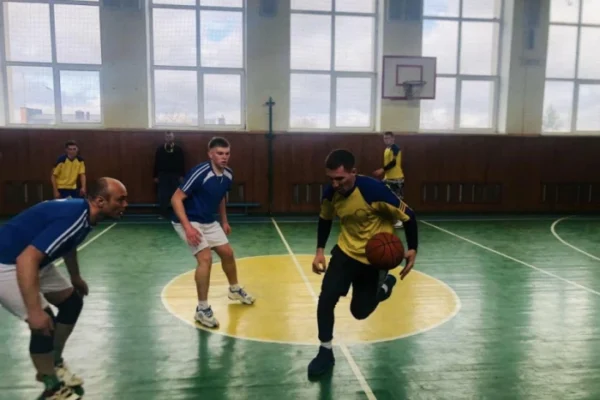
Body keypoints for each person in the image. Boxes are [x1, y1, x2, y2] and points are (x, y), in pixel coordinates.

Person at [0, 177, 128, 400]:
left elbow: (68, 243)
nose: (125, 204)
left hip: (34, 261)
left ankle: (55, 362)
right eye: (121, 199)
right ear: (100, 201)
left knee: (71, 302)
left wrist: (75, 276)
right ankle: (51, 388)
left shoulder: (86, 214)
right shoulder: (75, 216)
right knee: (44, 324)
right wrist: (35, 312)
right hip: (8, 263)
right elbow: (26, 259)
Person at [308, 149, 418, 377]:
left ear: (354, 172)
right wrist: (319, 251)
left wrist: (412, 249)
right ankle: (325, 351)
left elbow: (409, 215)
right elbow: (325, 219)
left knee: (359, 312)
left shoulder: (374, 191)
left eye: (340, 178)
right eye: (331, 178)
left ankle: (385, 285)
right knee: (326, 298)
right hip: (346, 252)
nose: (335, 184)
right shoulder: (330, 194)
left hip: (374, 260)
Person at [170, 136, 255, 329]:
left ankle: (234, 289)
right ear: (210, 154)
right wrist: (188, 228)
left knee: (228, 253)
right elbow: (176, 199)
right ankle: (202, 309)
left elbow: (221, 197)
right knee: (205, 258)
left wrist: (224, 221)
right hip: (188, 219)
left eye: (227, 153)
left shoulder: (228, 174)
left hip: (208, 220)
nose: (224, 157)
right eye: (219, 153)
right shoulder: (200, 172)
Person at [373, 131, 404, 228]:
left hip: (396, 178)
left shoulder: (395, 149)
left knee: (397, 200)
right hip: (388, 178)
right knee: (381, 196)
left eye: (388, 138)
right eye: (385, 138)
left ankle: (400, 220)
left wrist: (382, 170)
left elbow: (393, 163)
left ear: (393, 138)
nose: (386, 140)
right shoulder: (387, 149)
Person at [153, 131, 185, 218]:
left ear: (173, 137)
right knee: (162, 195)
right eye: (167, 137)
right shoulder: (160, 149)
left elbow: (182, 163)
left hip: (175, 175)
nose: (169, 138)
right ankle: (163, 213)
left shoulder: (178, 149)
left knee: (176, 195)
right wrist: (155, 176)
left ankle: (177, 214)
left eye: (170, 137)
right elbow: (156, 163)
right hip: (163, 175)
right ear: (165, 138)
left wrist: (182, 175)